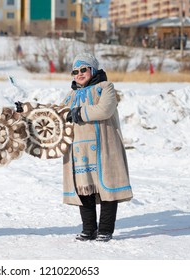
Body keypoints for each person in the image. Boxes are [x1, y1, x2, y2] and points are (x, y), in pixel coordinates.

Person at [63, 52, 133, 242]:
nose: (79, 74)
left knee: (108, 188)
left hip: (104, 148)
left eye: (83, 69)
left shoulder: (105, 87)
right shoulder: (70, 96)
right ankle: (88, 229)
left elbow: (105, 109)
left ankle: (105, 230)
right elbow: (56, 114)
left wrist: (78, 112)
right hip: (79, 151)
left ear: (93, 70)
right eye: (75, 71)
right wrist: (28, 110)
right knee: (83, 189)